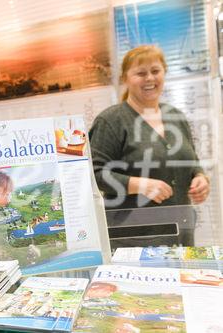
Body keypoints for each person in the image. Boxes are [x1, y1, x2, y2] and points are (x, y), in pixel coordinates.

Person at [89, 45, 210, 247]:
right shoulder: (110, 121)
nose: (150, 79)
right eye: (140, 73)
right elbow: (94, 174)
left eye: (155, 71)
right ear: (125, 78)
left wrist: (200, 177)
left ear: (164, 73)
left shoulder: (176, 117)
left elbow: (191, 161)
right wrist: (140, 185)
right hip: (134, 239)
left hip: (181, 234)